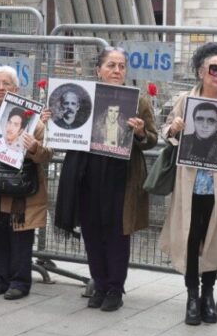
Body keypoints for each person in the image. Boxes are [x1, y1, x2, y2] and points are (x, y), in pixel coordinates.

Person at [54, 47, 158, 311]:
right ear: (98, 69)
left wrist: (140, 133)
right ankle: (99, 284)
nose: (116, 70)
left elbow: (152, 139)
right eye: (111, 65)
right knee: (91, 231)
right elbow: (67, 131)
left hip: (122, 177)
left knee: (117, 234)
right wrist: (53, 122)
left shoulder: (139, 101)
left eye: (121, 66)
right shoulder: (84, 97)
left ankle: (114, 288)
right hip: (87, 173)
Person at [160, 42, 217, 325]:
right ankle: (191, 295)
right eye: (215, 69)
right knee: (190, 237)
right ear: (201, 71)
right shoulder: (185, 100)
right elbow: (166, 131)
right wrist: (174, 128)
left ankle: (208, 294)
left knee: (212, 239)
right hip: (188, 183)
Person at [0, 66, 52, 300]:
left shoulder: (33, 118)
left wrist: (34, 147)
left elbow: (47, 154)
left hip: (20, 189)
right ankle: (0, 278)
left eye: (6, 84)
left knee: (20, 234)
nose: (1, 88)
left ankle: (20, 282)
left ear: (16, 89)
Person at [179, 101, 217, 167]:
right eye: (199, 119)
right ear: (194, 121)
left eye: (211, 120)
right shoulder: (183, 140)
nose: (204, 125)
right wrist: (173, 129)